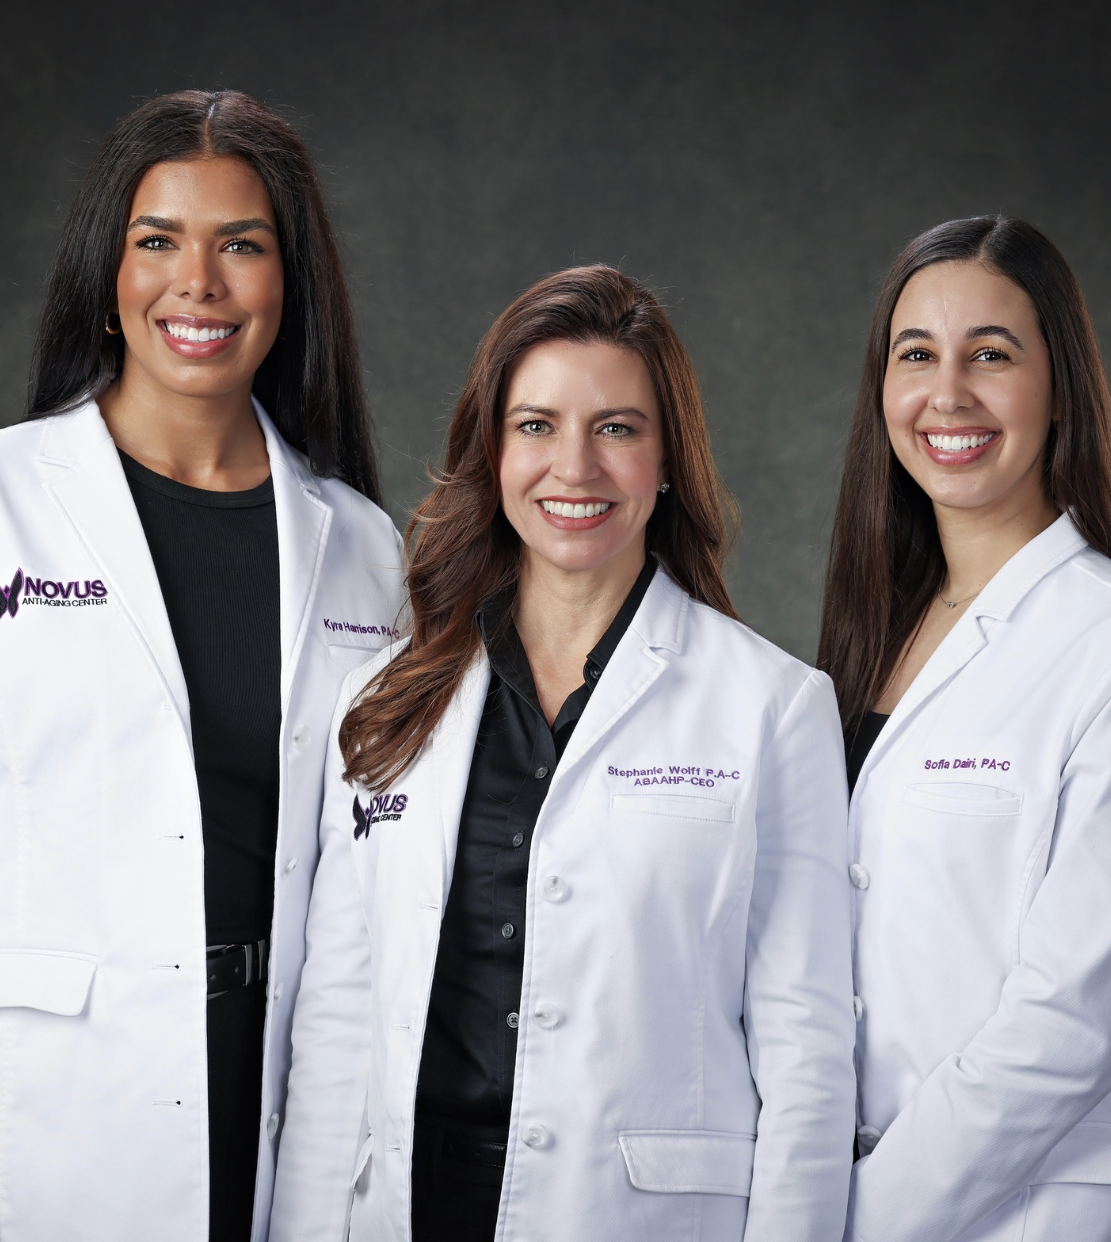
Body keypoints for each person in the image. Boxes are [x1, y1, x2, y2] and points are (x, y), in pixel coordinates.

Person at [271, 264, 856, 1242]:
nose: (573, 468)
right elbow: (336, 1020)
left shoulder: (772, 708)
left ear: (669, 459)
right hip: (410, 1210)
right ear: (491, 450)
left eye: (616, 428)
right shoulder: (384, 700)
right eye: (535, 426)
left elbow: (806, 1052)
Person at [0, 90, 405, 1242]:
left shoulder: (364, 550)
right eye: (159, 241)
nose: (200, 283)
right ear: (107, 272)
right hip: (52, 1098)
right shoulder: (9, 501)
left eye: (242, 244)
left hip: (285, 1079)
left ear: (291, 280)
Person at [819, 215, 1111, 1241]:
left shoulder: (1096, 637)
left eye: (990, 354)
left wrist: (862, 1218)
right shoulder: (874, 635)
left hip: (1015, 1210)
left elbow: (1071, 1020)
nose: (947, 395)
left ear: (1060, 385)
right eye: (916, 356)